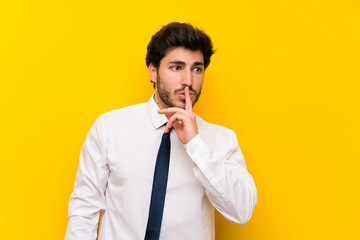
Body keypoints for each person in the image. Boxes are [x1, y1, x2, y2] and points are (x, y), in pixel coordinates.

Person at [65, 22, 257, 240]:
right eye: (177, 67)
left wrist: (195, 144)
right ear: (153, 71)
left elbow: (242, 211)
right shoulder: (110, 128)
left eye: (197, 69)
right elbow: (84, 210)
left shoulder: (220, 140)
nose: (188, 81)